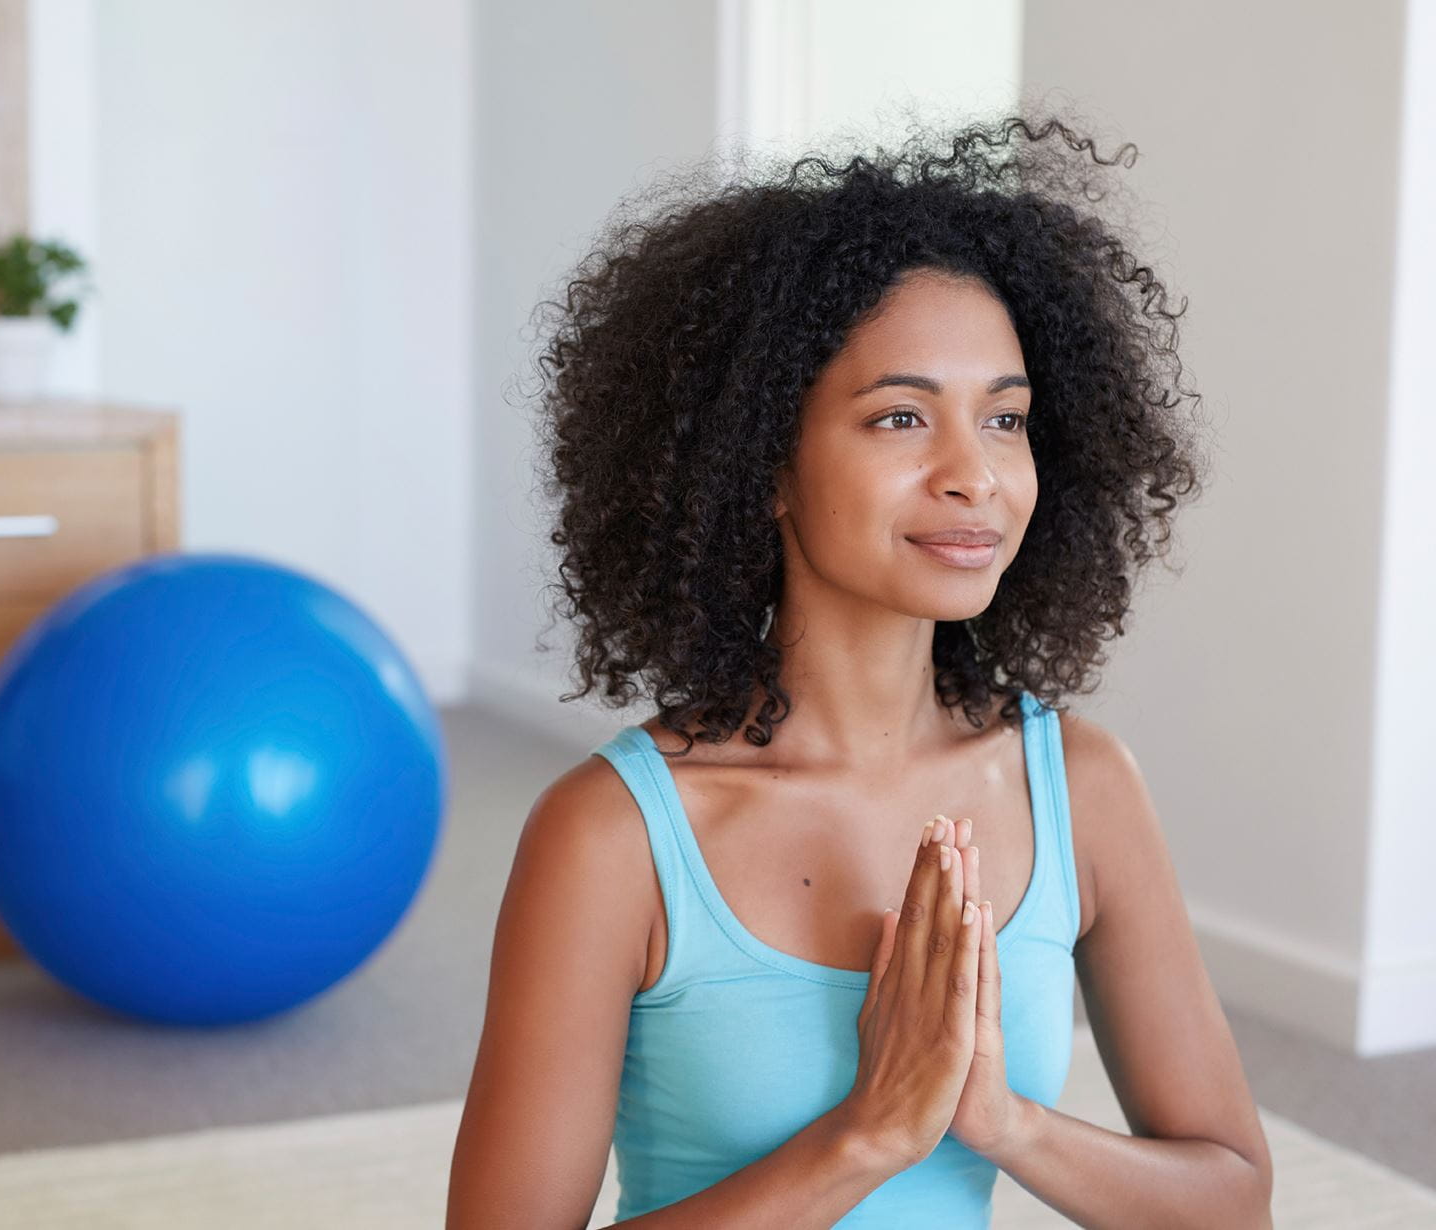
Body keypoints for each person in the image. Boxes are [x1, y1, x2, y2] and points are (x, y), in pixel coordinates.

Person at [447, 112, 1274, 1227]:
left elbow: (1231, 1200)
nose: (973, 475)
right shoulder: (610, 838)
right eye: (899, 417)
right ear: (759, 464)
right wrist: (869, 1134)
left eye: (1005, 419)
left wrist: (1003, 1122)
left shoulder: (1078, 786)